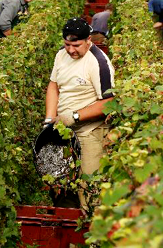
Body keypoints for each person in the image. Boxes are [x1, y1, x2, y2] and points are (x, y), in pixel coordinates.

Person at [44, 17, 115, 209]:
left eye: (76, 45)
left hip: (89, 131)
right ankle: (69, 222)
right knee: (58, 180)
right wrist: (49, 120)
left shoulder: (98, 62)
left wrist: (73, 116)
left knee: (89, 184)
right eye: (67, 44)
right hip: (62, 129)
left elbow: (109, 102)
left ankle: (93, 229)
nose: (71, 50)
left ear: (88, 40)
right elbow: (53, 86)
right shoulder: (61, 55)